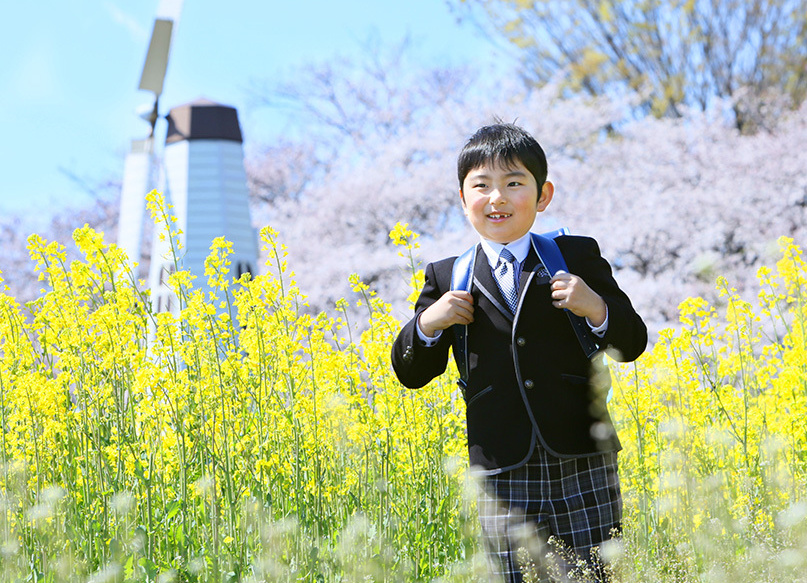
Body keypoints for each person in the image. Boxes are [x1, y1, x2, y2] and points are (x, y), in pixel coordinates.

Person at [390, 123, 647, 582]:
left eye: (513, 183)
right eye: (481, 186)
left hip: (581, 454)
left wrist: (595, 307)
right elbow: (412, 373)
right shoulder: (447, 276)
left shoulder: (574, 256)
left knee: (597, 576)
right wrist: (430, 323)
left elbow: (632, 343)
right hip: (500, 467)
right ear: (462, 199)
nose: (497, 198)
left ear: (543, 195)